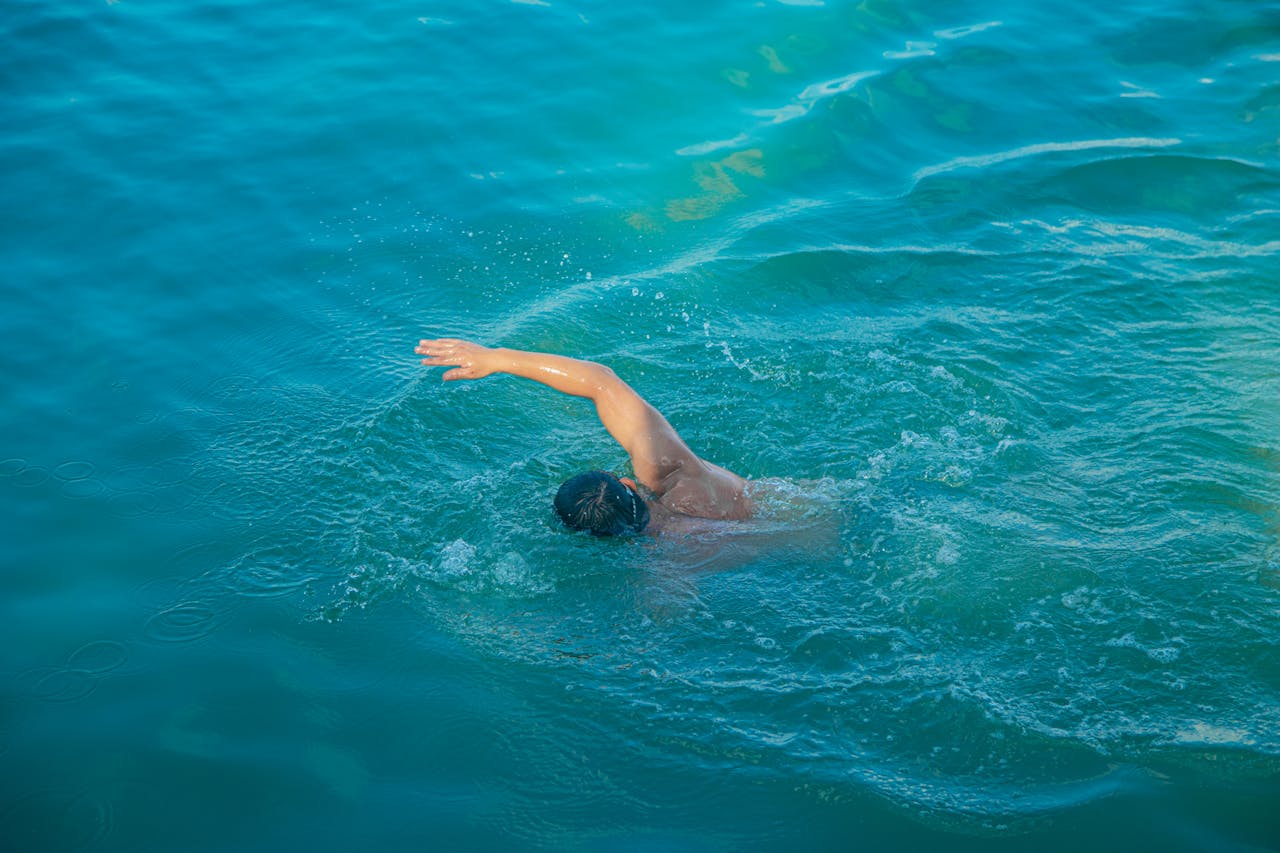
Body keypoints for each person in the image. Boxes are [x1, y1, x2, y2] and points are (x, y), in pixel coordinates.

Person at [415, 337, 753, 536]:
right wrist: (496, 358)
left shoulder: (669, 569)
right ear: (628, 484)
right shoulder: (684, 478)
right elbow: (601, 381)